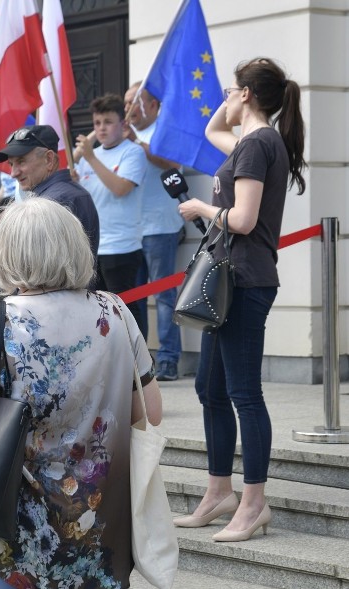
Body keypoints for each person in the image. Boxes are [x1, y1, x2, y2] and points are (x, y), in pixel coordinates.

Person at [0, 198, 162, 588]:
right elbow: (150, 413)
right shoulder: (116, 311)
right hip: (103, 523)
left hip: (16, 525)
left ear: (7, 253)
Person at [175, 58, 307, 542]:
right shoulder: (256, 142)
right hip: (237, 281)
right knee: (211, 390)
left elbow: (245, 219)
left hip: (244, 282)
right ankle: (218, 493)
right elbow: (214, 131)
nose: (225, 98)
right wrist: (231, 105)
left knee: (244, 395)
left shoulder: (257, 144)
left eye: (231, 90)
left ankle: (253, 504)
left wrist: (201, 208)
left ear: (248, 95)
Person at [124, 82, 185, 381]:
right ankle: (140, 363)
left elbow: (172, 165)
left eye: (134, 102)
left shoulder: (166, 131)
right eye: (125, 104)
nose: (128, 110)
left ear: (154, 105)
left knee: (163, 295)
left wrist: (136, 143)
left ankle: (170, 359)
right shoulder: (124, 137)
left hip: (160, 225)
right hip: (131, 230)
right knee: (133, 299)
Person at [75, 93, 149, 337]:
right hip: (92, 246)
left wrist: (91, 157)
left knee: (125, 308)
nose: (101, 128)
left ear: (123, 124)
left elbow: (120, 188)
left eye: (107, 122)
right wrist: (82, 156)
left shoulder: (132, 152)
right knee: (96, 312)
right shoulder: (89, 156)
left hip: (122, 246)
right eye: (97, 124)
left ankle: (139, 365)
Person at [0, 124, 99, 257]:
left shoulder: (55, 201)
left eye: (21, 161)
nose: (13, 173)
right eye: (11, 164)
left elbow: (43, 267)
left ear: (49, 159)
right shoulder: (62, 195)